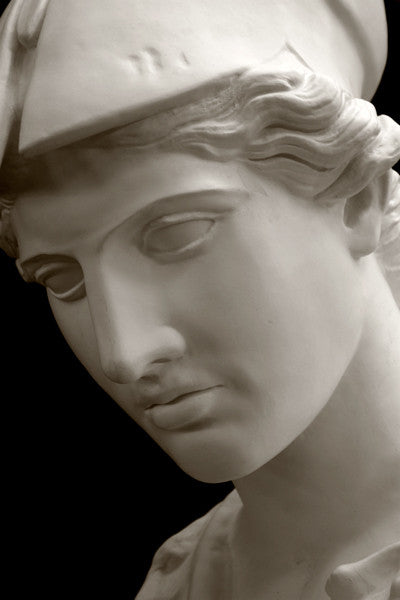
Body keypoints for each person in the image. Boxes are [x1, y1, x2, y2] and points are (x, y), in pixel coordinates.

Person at [0, 1, 399, 598]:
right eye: (64, 280)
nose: (124, 354)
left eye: (177, 234)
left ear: (356, 200)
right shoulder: (183, 583)